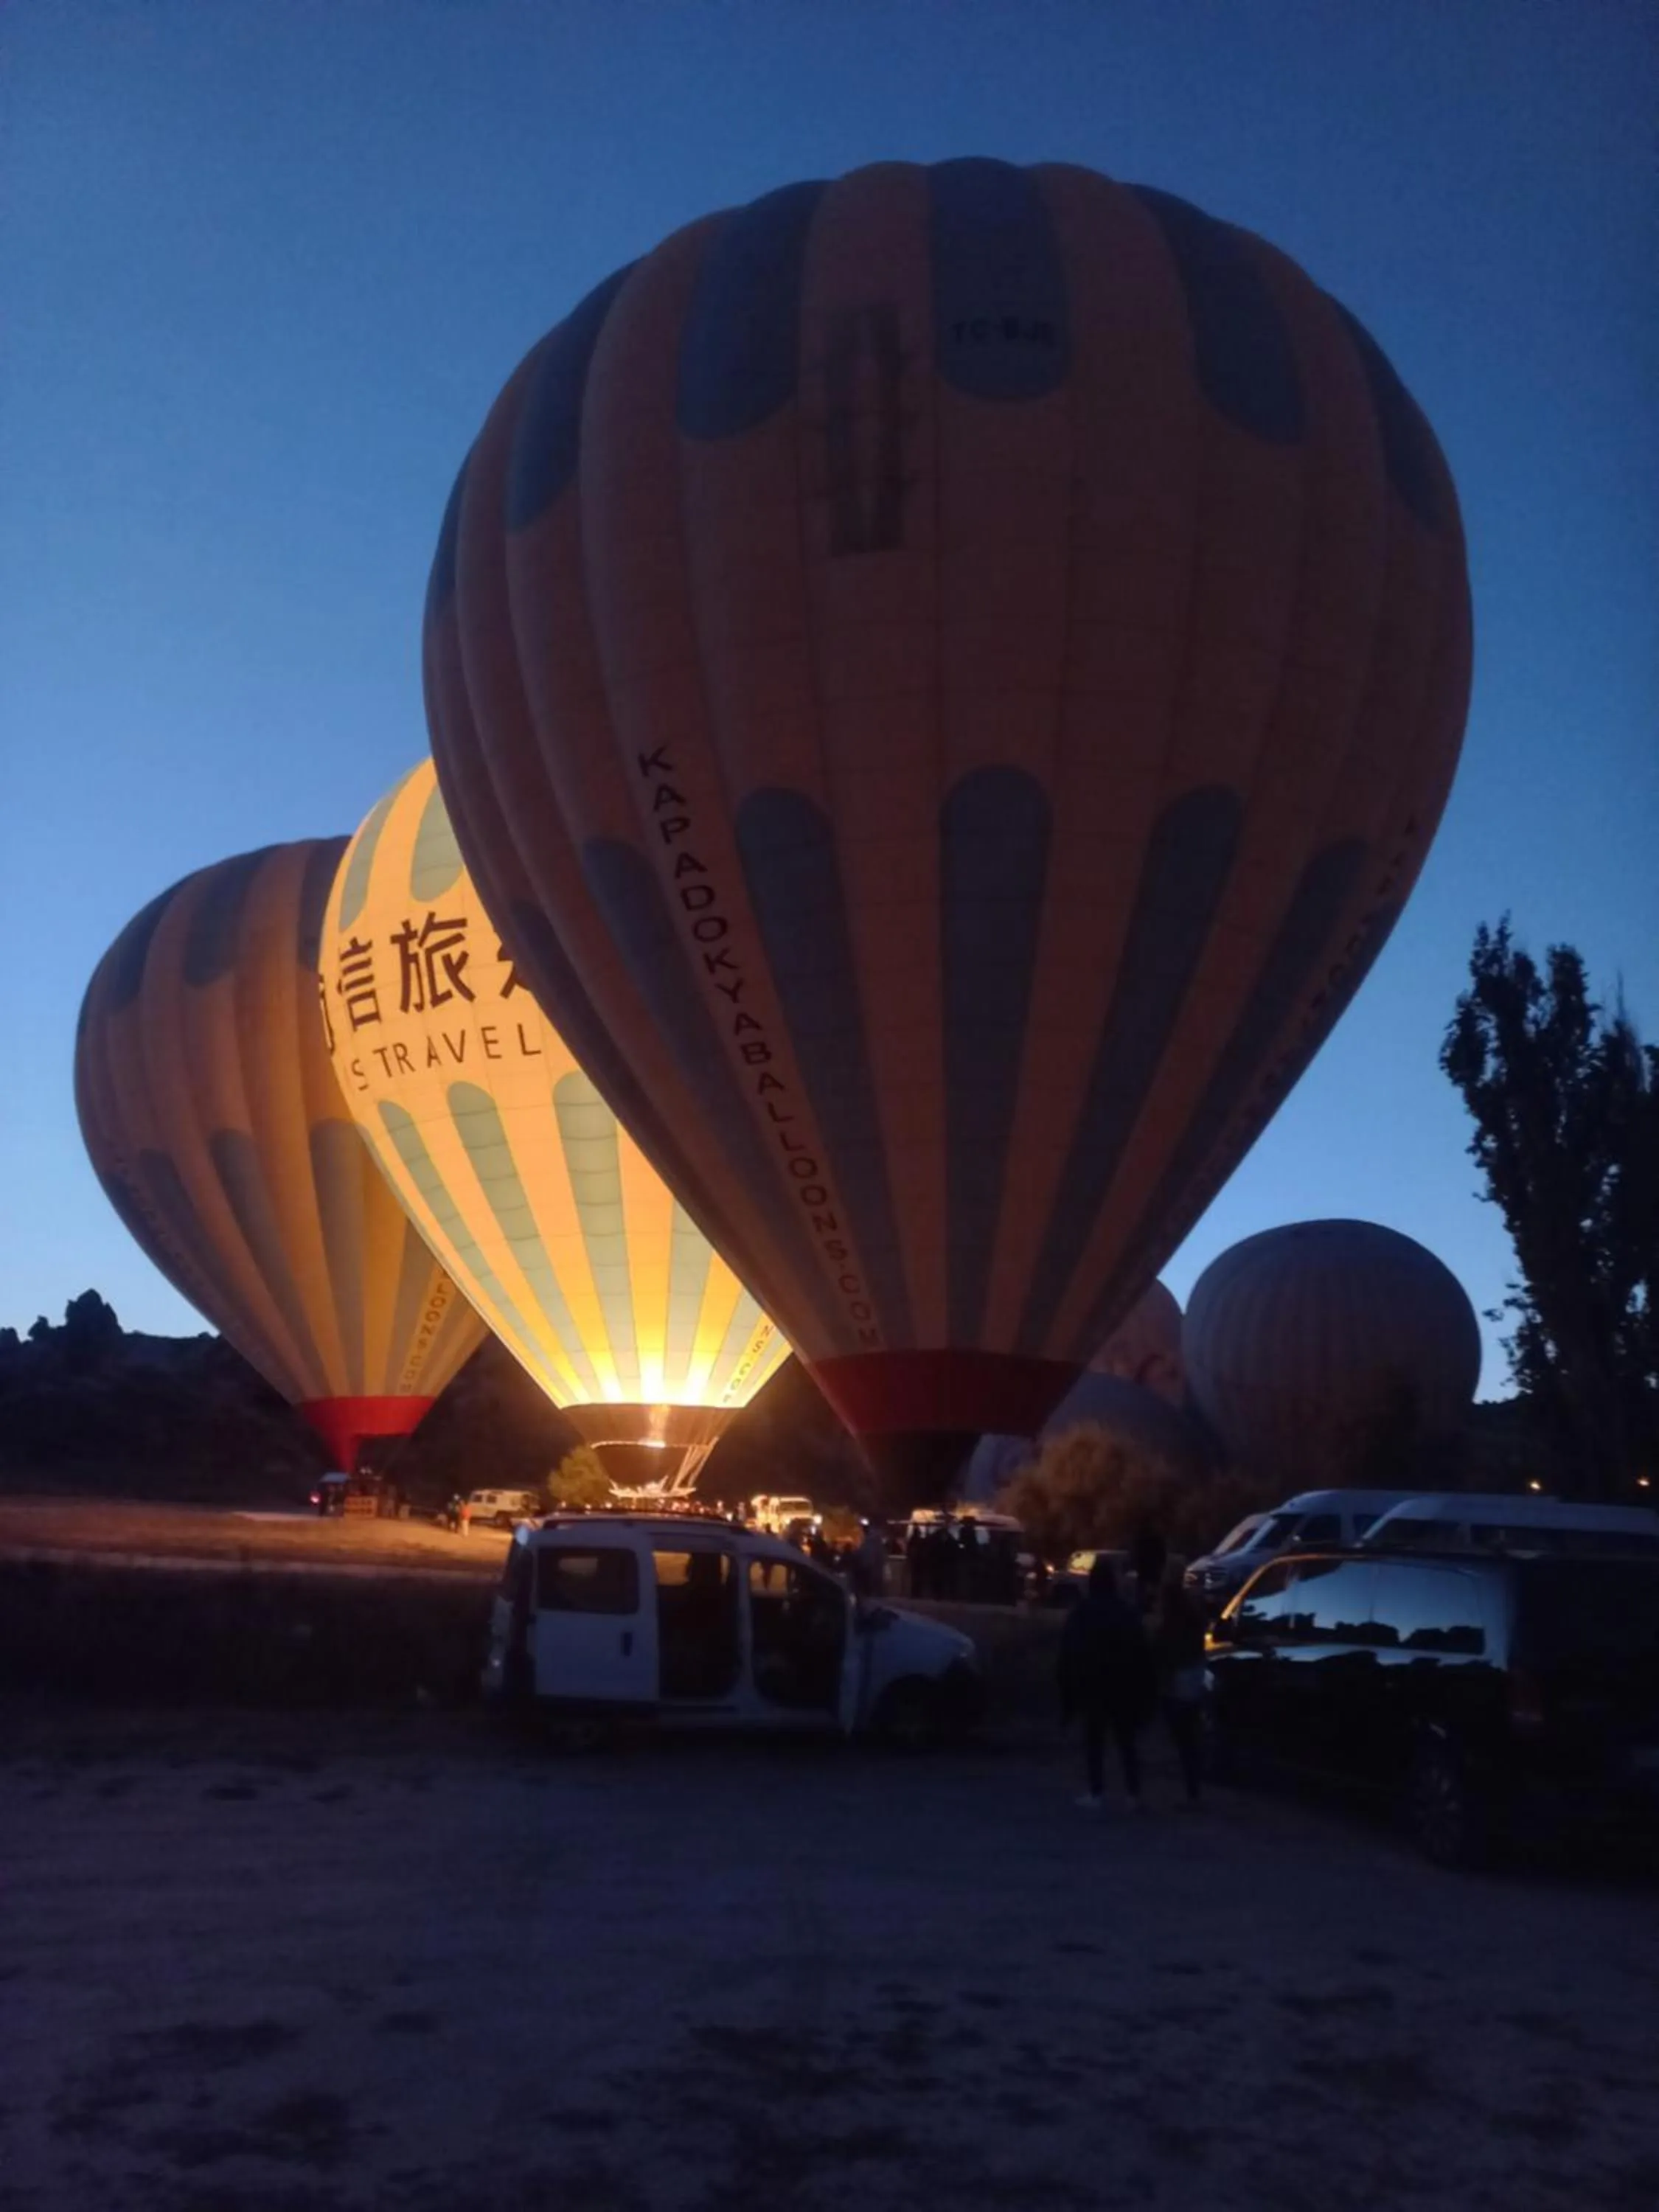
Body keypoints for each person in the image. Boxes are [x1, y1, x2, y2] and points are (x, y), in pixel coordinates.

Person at [1057, 1555, 1157, 1811]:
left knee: (1094, 1740)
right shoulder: (1126, 1612)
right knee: (1126, 1741)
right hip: (1123, 1684)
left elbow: (1069, 1652)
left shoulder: (1083, 1613)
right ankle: (1133, 1794)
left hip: (1093, 1684)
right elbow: (1142, 1652)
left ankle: (1097, 1791)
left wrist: (1069, 1691)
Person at [1152, 1564, 1208, 1806]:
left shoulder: (1168, 1628)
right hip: (1193, 1678)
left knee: (1183, 1738)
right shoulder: (1193, 1621)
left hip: (1178, 1682)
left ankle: (1190, 1790)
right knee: (1190, 1738)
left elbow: (1162, 1655)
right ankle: (1192, 1790)